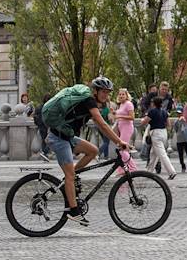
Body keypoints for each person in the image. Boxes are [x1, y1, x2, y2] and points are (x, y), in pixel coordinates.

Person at [44, 77, 130, 223]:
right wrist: (119, 141)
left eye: (108, 92)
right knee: (70, 175)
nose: (106, 95)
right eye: (103, 91)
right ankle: (74, 211)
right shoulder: (89, 101)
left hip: (67, 137)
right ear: (95, 91)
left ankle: (69, 178)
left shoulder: (92, 103)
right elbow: (102, 124)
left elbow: (102, 124)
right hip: (58, 138)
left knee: (93, 151)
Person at [145, 94, 178, 178]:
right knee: (153, 153)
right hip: (163, 132)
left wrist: (144, 119)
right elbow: (168, 124)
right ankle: (149, 172)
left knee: (162, 154)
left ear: (154, 103)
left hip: (156, 133)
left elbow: (145, 122)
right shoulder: (164, 112)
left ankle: (171, 171)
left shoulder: (152, 111)